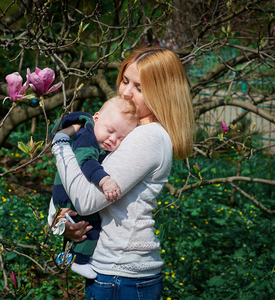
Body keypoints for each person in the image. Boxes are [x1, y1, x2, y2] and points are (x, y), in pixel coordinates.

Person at [50, 46, 195, 300]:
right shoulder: (125, 129)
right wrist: (60, 223)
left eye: (139, 88)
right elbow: (74, 186)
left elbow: (86, 200)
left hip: (121, 276)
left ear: (162, 93)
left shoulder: (148, 137)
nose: (126, 93)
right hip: (113, 272)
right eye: (125, 81)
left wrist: (60, 144)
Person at [50, 96, 139, 279]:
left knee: (77, 228)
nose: (112, 139)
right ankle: (80, 262)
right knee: (91, 227)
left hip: (66, 192)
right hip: (69, 194)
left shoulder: (90, 135)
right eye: (110, 130)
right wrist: (105, 180)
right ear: (96, 118)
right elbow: (86, 162)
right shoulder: (86, 137)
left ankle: (66, 257)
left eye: (121, 138)